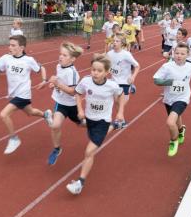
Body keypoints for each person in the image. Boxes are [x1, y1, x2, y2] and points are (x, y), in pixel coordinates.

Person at [66, 53, 124, 194]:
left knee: (89, 152)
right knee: (83, 126)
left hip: (103, 121)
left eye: (99, 71)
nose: (95, 73)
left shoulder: (112, 85)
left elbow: (121, 95)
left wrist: (120, 112)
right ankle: (116, 126)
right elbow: (78, 94)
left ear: (107, 72)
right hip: (90, 119)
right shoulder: (85, 81)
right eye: (93, 69)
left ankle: (80, 182)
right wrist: (80, 109)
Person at [0, 35, 53, 154]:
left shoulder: (28, 60)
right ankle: (46, 114)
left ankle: (14, 139)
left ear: (21, 47)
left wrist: (44, 80)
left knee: (3, 114)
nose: (10, 47)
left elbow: (41, 68)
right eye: (10, 45)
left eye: (13, 45)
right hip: (14, 95)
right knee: (30, 112)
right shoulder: (6, 58)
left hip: (23, 94)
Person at [153, 42, 191, 157]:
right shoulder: (167, 66)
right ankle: (181, 130)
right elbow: (156, 80)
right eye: (177, 53)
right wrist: (168, 82)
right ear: (173, 53)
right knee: (176, 118)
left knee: (170, 122)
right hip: (169, 98)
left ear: (188, 55)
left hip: (183, 98)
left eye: (182, 54)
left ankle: (173, 141)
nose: (179, 56)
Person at [46, 42, 84, 165]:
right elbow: (59, 81)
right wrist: (53, 84)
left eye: (64, 55)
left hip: (72, 105)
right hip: (61, 103)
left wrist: (57, 84)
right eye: (60, 54)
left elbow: (73, 92)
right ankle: (57, 149)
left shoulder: (72, 73)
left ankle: (97, 125)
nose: (60, 57)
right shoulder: (59, 66)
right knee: (55, 126)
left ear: (72, 59)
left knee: (83, 124)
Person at [107, 32, 140, 115]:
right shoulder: (109, 54)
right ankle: (121, 120)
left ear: (122, 43)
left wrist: (133, 77)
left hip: (125, 81)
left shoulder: (126, 54)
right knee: (117, 102)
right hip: (114, 81)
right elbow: (107, 66)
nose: (114, 42)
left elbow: (137, 66)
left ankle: (120, 119)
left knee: (121, 103)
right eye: (114, 41)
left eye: (117, 41)